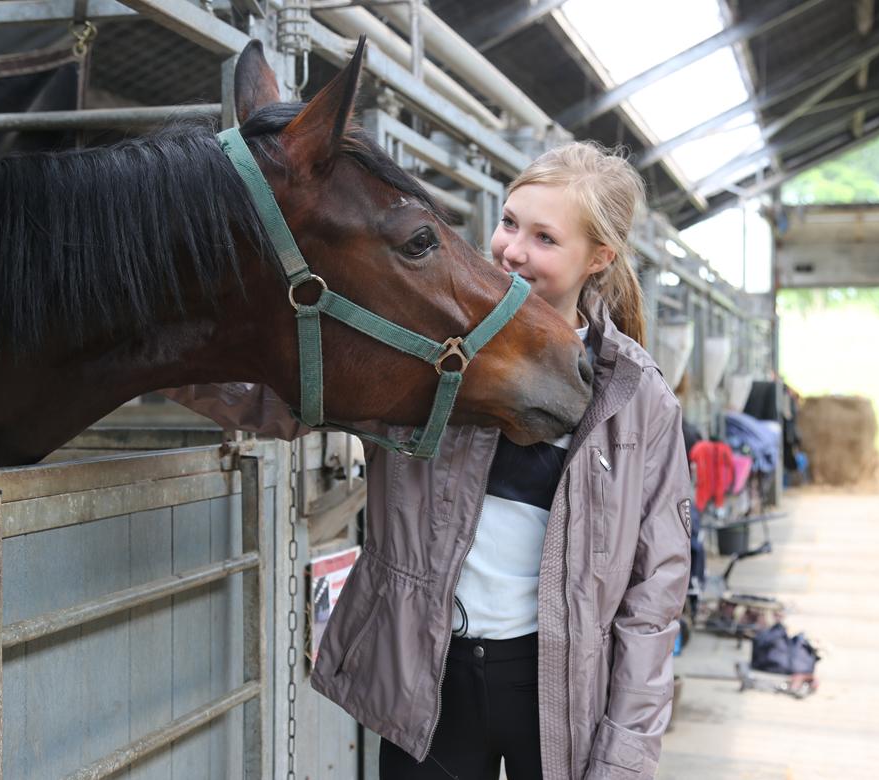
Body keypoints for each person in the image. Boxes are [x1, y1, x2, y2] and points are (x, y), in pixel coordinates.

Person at [162, 141, 691, 780]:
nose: (513, 250)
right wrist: (164, 353)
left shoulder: (636, 397)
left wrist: (625, 754)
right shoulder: (429, 345)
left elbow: (654, 593)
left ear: (599, 258)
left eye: (545, 238)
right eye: (509, 222)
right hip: (430, 675)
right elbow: (282, 403)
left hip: (556, 687)